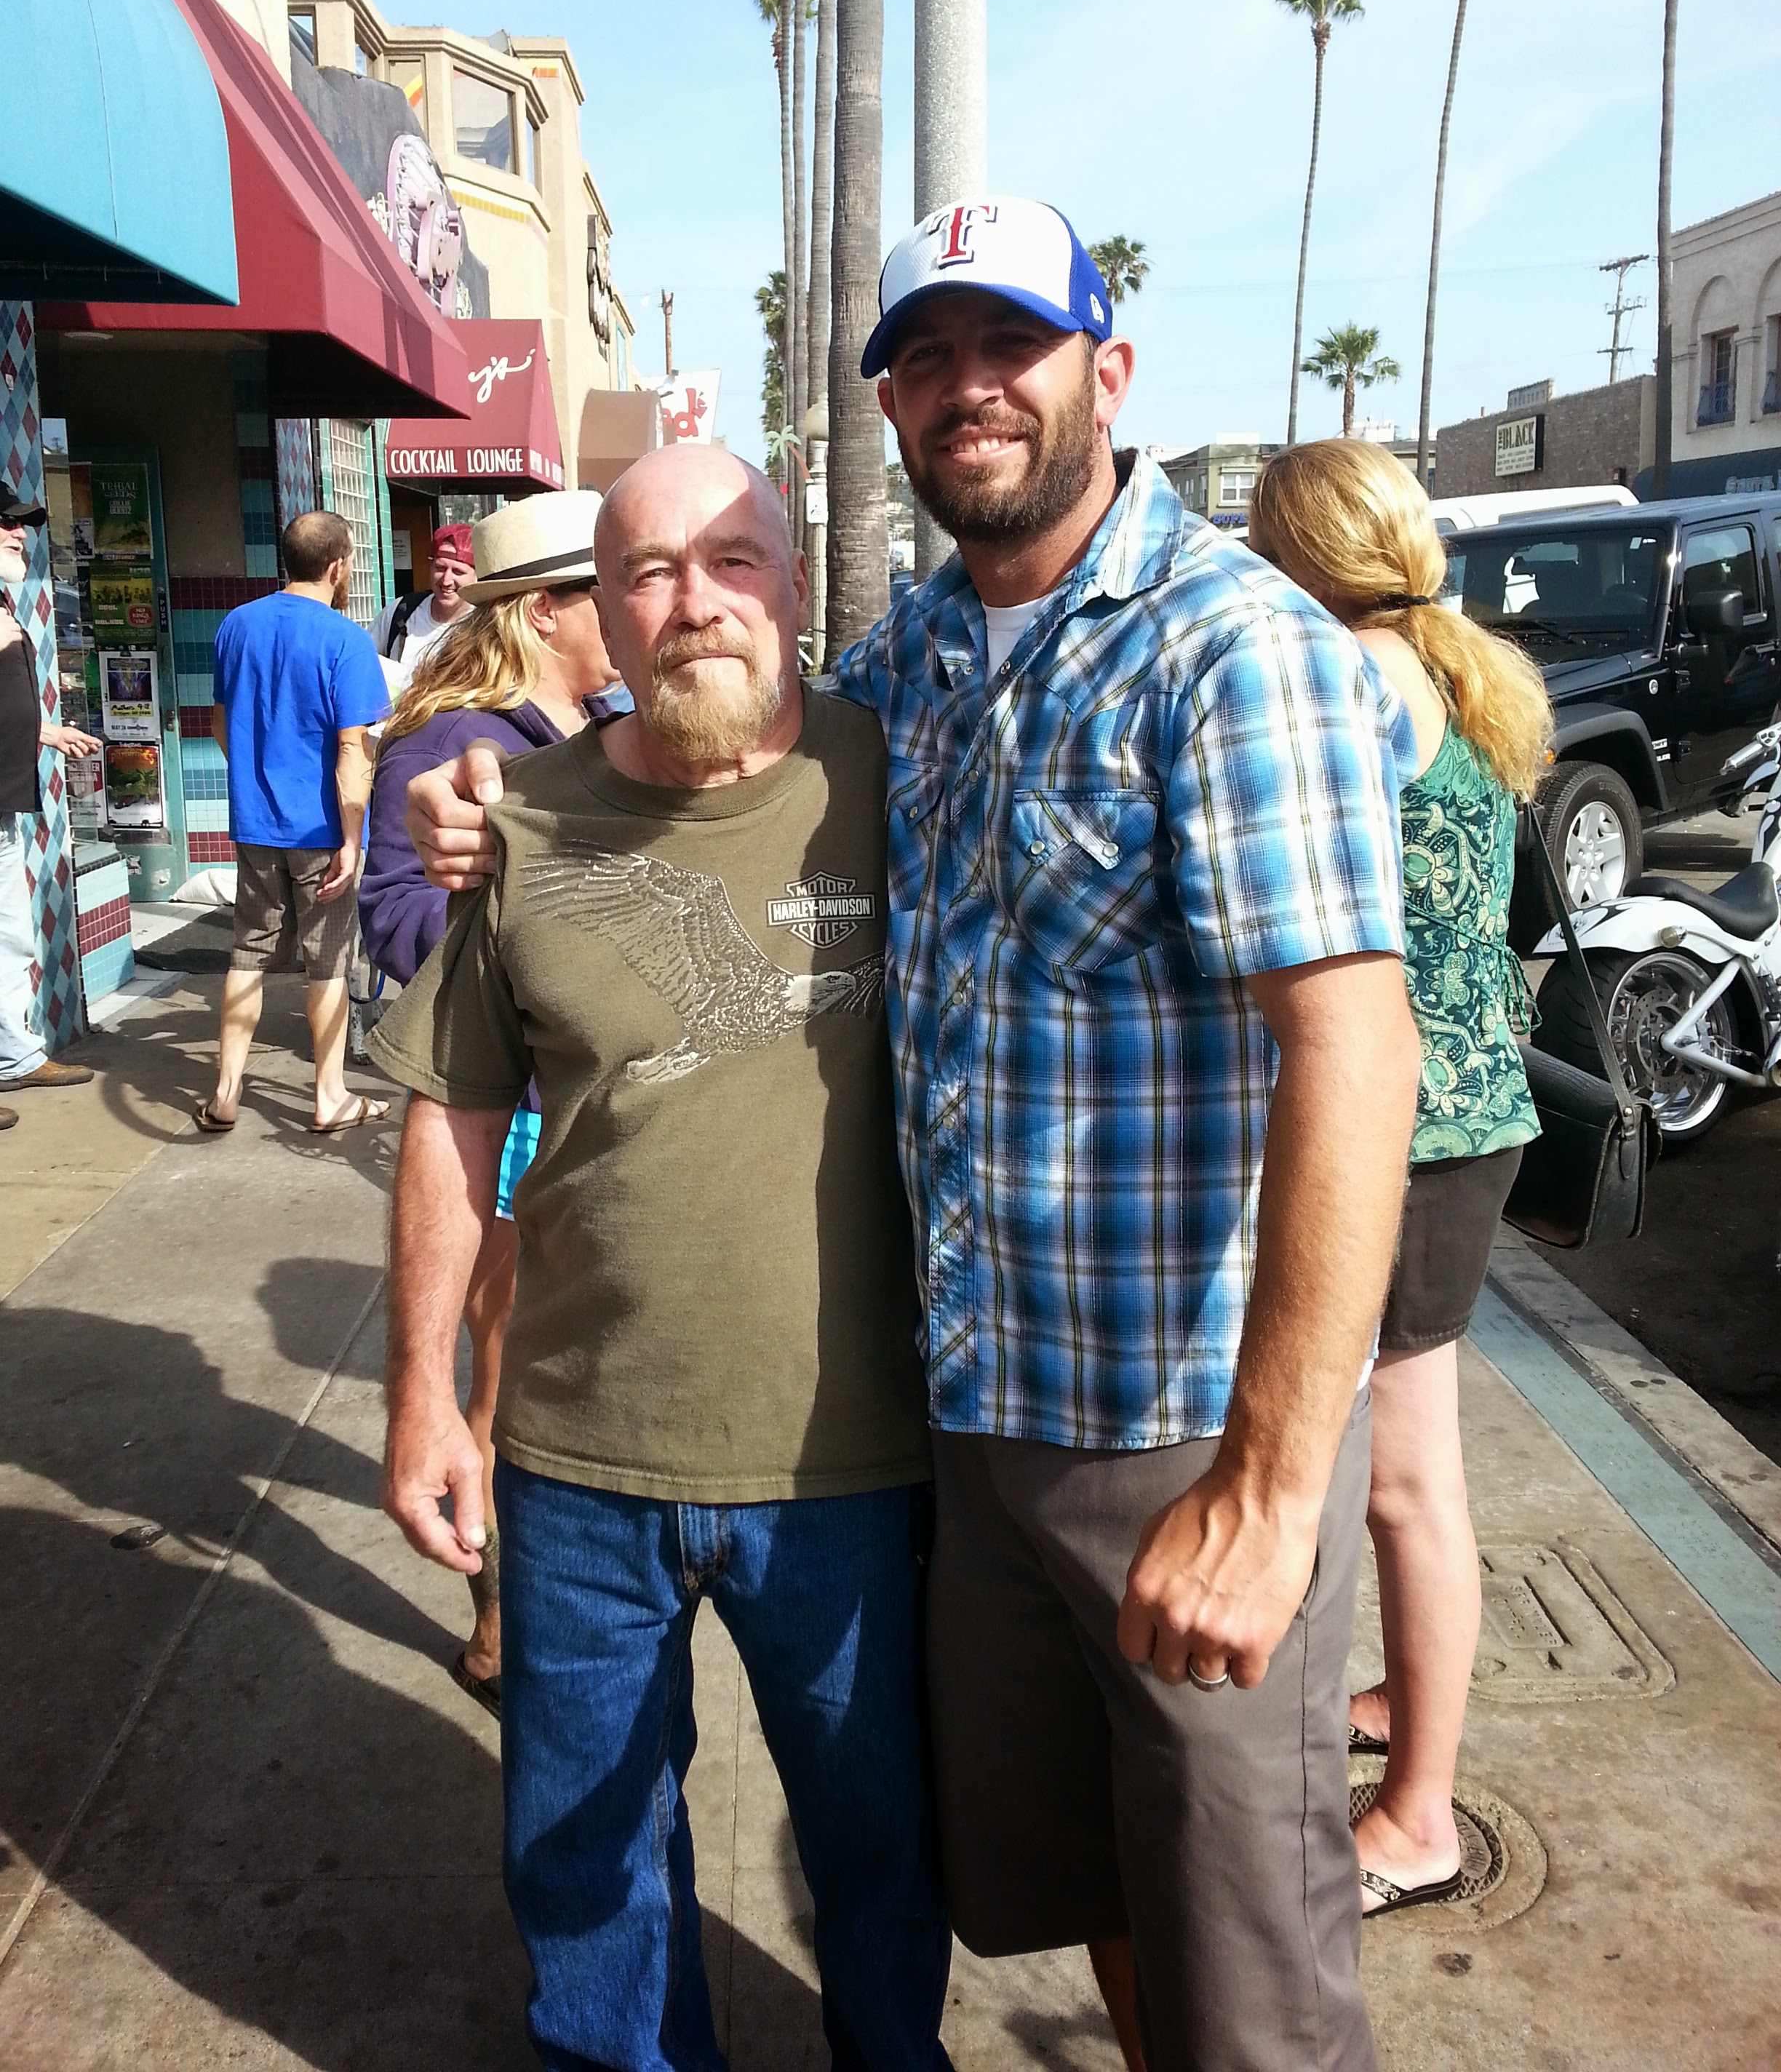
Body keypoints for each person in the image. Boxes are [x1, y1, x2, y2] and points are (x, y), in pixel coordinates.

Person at [405, 202, 1423, 2072]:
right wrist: (501, 789)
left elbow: (1355, 1049)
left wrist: (1277, 1491)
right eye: (925, 359)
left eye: (1010, 347)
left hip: (1171, 1433)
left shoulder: (1225, 647)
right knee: (1080, 1900)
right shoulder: (920, 660)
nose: (968, 390)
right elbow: (720, 740)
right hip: (962, 1442)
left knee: (1250, 1977)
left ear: (1104, 373)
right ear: (887, 411)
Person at [372, 445, 953, 2072]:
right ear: (595, 619)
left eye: (730, 561)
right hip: (576, 1463)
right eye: (644, 573)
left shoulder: (907, 778)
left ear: (793, 585)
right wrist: (427, 1397)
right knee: (585, 1873)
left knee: (885, 1867)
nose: (691, 604)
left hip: (852, 1462)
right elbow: (447, 1117)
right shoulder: (519, 827)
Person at [1247, 437, 1550, 1918]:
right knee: (1408, 1477)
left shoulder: (1354, 679)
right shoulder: (1465, 664)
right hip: (1467, 1109)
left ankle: (1420, 1815)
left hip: (1410, 1133)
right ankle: (1402, 1710)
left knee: (1409, 1486)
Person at [359, 489, 626, 1718]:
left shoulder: (600, 718)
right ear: (550, 609)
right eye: (611, 586)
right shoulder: (458, 738)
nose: (640, 607)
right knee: (510, 1378)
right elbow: (396, 911)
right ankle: (501, 1629)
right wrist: (517, 922)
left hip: (574, 1106)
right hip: (510, 1108)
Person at [199, 509, 391, 1136]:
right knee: (328, 959)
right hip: (320, 828)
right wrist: (353, 839)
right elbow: (351, 750)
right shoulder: (345, 640)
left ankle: (225, 1092)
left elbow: (222, 726)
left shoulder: (236, 626)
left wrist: (260, 781)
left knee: (248, 953)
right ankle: (329, 1095)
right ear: (339, 566)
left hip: (254, 825)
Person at [0, 487, 100, 1118]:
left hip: (4, 801)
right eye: (6, 524)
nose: (20, 535)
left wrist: (43, 731)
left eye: (24, 526)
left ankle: (16, 1055)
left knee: (11, 935)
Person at [371, 521, 475, 695]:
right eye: (440, 568)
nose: (446, 580)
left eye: (458, 572)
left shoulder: (486, 625)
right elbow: (363, 662)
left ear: (477, 576)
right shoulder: (401, 610)